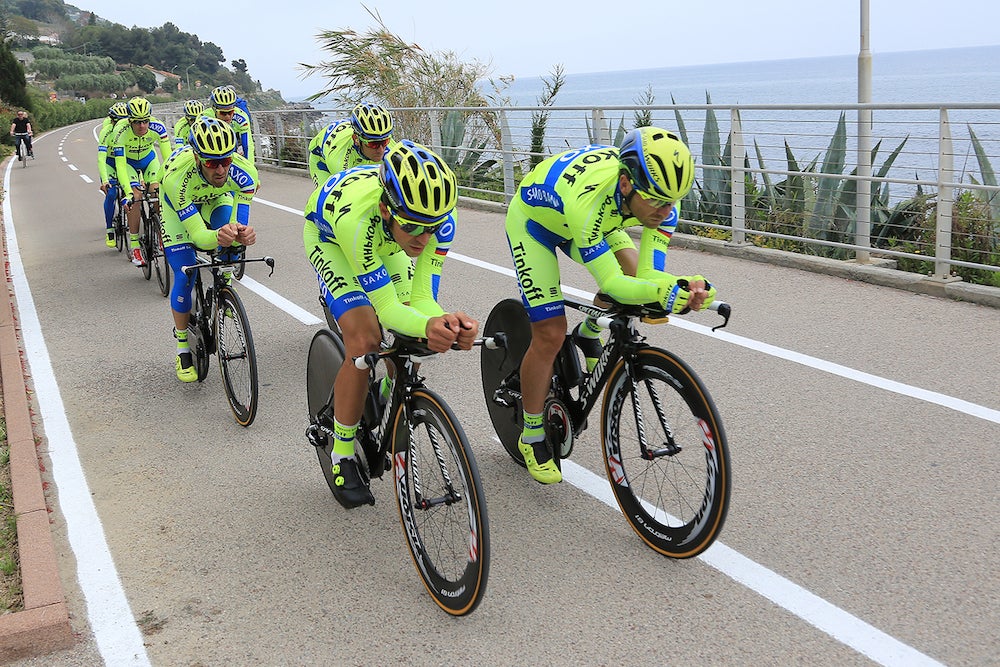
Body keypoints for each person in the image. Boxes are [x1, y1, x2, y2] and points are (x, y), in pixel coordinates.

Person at [504, 126, 716, 484]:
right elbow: (613, 285)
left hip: (601, 220)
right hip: (536, 224)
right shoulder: (590, 203)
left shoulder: (661, 201)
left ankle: (589, 334)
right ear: (625, 184)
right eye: (658, 201)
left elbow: (648, 276)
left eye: (672, 202)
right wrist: (661, 294)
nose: (666, 212)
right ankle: (533, 433)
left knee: (638, 282)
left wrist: (687, 288)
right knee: (550, 334)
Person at [303, 140, 478, 508]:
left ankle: (388, 391)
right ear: (386, 209)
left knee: (416, 331)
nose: (424, 237)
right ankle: (343, 451)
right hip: (332, 239)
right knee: (366, 340)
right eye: (413, 225)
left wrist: (442, 322)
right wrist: (428, 324)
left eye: (432, 227)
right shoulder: (360, 222)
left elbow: (423, 300)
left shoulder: (436, 220)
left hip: (386, 243)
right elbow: (385, 307)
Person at [159, 117, 258, 382]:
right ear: (196, 156)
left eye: (226, 161)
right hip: (177, 210)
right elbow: (201, 238)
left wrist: (242, 234)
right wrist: (218, 235)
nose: (220, 170)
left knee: (232, 237)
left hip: (215, 200)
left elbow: (240, 223)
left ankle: (223, 291)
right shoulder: (177, 179)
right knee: (185, 273)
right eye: (212, 162)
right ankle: (182, 348)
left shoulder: (245, 172)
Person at [110, 96, 173, 266]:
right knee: (136, 198)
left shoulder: (158, 127)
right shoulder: (120, 131)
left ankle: (162, 236)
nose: (142, 126)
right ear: (129, 120)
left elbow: (168, 160)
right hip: (129, 163)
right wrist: (128, 192)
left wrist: (168, 184)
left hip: (149, 160)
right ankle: (136, 246)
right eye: (137, 122)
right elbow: (121, 166)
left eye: (145, 121)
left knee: (157, 192)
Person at [307, 102, 394, 187]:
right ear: (356, 139)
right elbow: (352, 191)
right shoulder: (340, 159)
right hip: (321, 161)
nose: (381, 150)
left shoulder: (384, 139)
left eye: (385, 142)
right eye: (373, 144)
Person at [97, 101, 129, 247]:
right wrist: (105, 180)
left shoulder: (129, 130)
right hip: (110, 163)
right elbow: (101, 158)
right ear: (112, 120)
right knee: (111, 193)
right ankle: (110, 228)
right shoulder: (106, 131)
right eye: (118, 121)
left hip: (126, 161)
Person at [203, 86, 254, 163]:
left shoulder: (242, 117)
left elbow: (247, 146)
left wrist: (249, 167)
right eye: (223, 113)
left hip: (233, 137)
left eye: (230, 112)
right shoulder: (204, 117)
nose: (227, 116)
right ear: (214, 109)